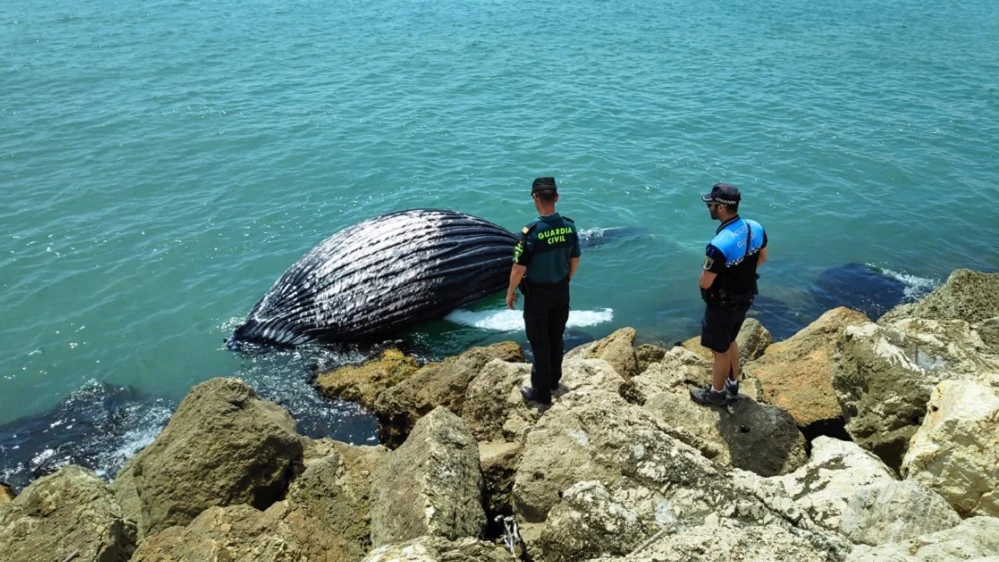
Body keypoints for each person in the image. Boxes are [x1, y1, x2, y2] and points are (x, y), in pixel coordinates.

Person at [690, 182, 768, 407]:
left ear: (721, 208)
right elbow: (762, 257)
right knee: (731, 340)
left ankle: (716, 393)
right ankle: (733, 386)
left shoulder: (718, 245)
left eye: (711, 204)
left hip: (722, 304)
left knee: (720, 350)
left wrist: (703, 283)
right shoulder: (755, 227)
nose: (709, 208)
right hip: (745, 296)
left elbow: (706, 282)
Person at [506, 177, 581, 406]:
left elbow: (519, 268)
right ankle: (553, 381)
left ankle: (541, 393)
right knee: (556, 337)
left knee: (539, 342)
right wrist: (566, 278)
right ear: (556, 197)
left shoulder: (532, 232)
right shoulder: (569, 226)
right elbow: (575, 258)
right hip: (561, 291)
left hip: (538, 295)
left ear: (535, 197)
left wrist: (510, 292)